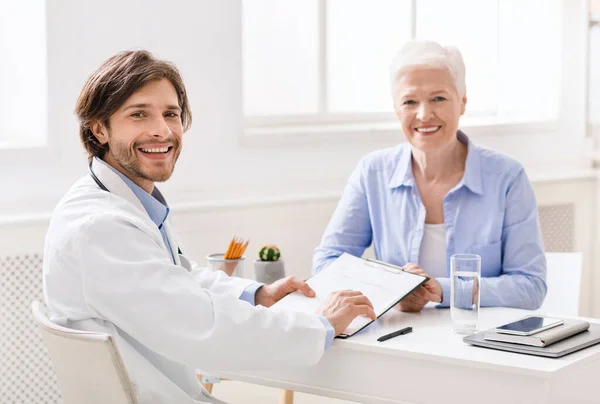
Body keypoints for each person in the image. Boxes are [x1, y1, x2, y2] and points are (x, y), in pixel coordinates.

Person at [43, 50, 376, 404]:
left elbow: (178, 278)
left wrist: (256, 294)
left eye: (170, 114)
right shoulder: (101, 227)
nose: (162, 130)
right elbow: (205, 327)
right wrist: (320, 325)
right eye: (138, 114)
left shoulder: (117, 201)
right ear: (99, 128)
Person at [313, 40, 547, 312]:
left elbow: (530, 287)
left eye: (438, 98)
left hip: (480, 341)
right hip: (397, 337)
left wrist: (441, 290)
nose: (424, 115)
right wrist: (392, 287)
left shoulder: (507, 177)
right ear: (396, 109)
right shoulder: (372, 173)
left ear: (462, 102)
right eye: (410, 101)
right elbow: (326, 263)